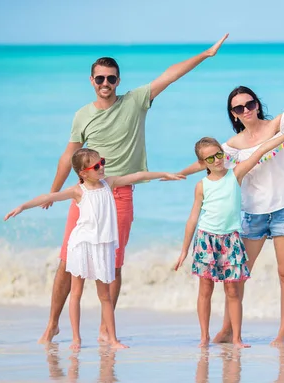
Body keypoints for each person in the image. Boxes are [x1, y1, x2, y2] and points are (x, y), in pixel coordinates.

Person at [38, 34, 229, 344]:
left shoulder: (136, 100)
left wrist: (205, 55)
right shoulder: (82, 115)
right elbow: (68, 155)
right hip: (86, 194)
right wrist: (53, 192)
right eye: (100, 78)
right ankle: (52, 324)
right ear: (91, 80)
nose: (105, 82)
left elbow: (170, 74)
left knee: (113, 264)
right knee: (67, 260)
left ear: (118, 80)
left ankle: (105, 330)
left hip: (120, 194)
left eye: (110, 78)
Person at [178, 67, 284, 346]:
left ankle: (283, 334)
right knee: (238, 276)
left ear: (257, 104)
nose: (246, 110)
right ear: (233, 114)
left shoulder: (276, 126)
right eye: (239, 107)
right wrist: (176, 174)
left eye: (250, 103)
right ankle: (228, 330)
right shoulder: (230, 147)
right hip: (253, 213)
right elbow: (205, 162)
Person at [5, 149, 185, 349]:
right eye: (96, 166)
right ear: (83, 172)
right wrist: (23, 206)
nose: (102, 168)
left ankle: (113, 339)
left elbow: (138, 175)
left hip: (103, 247)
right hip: (81, 245)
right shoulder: (78, 191)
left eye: (103, 163)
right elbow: (49, 196)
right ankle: (76, 339)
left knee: (105, 295)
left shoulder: (109, 183)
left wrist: (164, 174)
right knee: (76, 293)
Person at [173, 122, 284, 348]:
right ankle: (204, 337)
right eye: (210, 159)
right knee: (205, 290)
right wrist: (184, 251)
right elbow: (192, 220)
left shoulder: (235, 174)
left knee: (232, 289)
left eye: (219, 154)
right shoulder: (201, 186)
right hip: (206, 240)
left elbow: (261, 151)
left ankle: (236, 338)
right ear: (202, 163)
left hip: (231, 240)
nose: (216, 160)